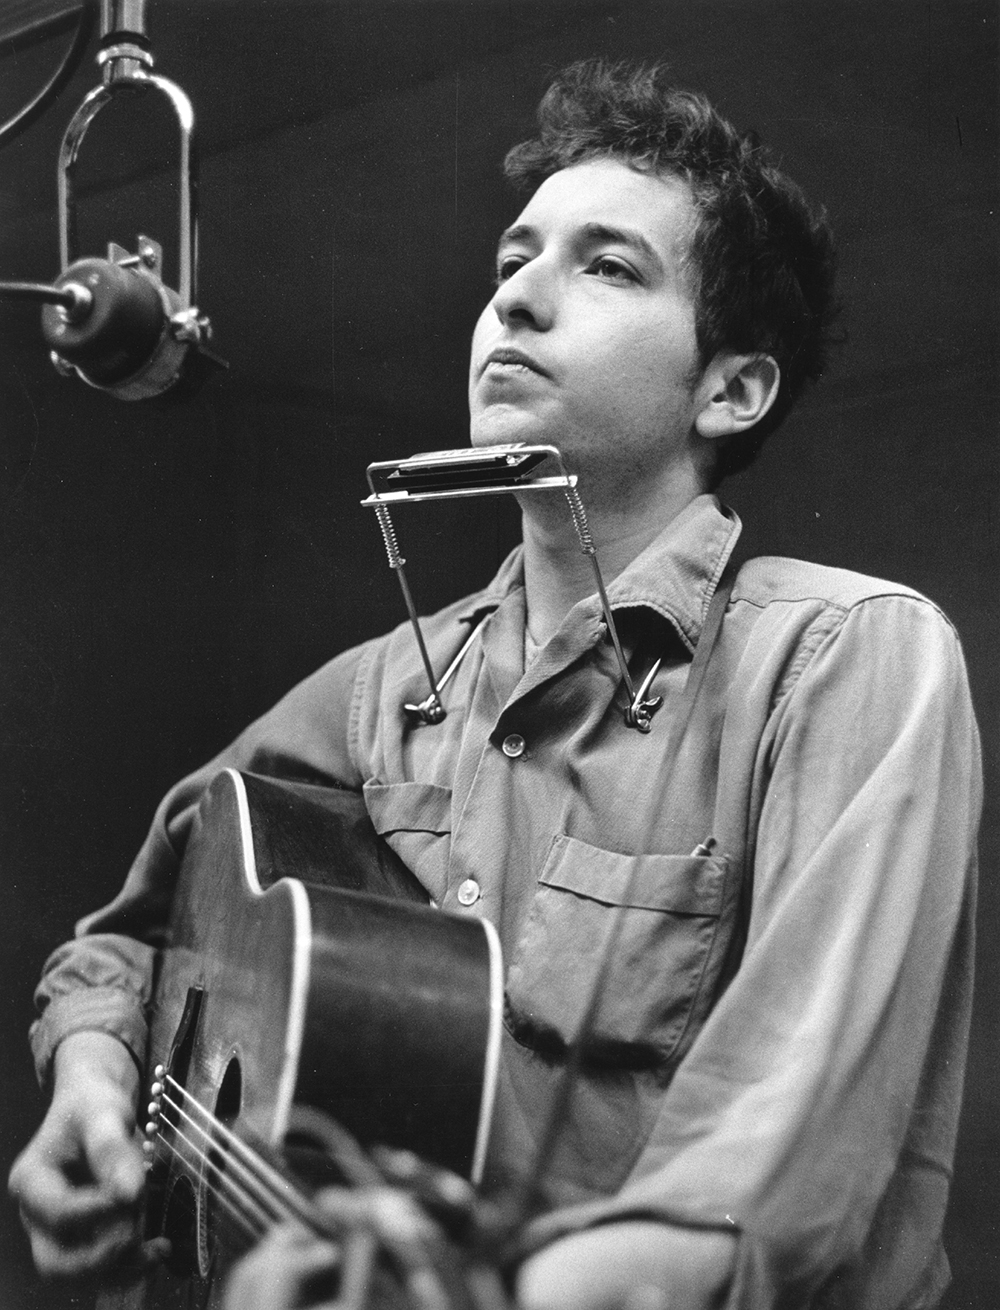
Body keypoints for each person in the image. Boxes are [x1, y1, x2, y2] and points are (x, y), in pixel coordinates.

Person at [8, 60, 980, 1310]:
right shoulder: (377, 693)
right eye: (512, 260)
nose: (517, 296)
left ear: (730, 388)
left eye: (608, 265)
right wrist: (92, 1081)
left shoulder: (845, 653)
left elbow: (776, 1158)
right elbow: (125, 940)